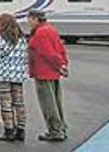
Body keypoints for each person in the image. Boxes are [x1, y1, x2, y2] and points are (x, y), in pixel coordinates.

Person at [0, 13, 29, 142]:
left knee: (6, 105)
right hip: (18, 77)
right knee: (19, 103)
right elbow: (25, 58)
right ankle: (21, 130)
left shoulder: (0, 40)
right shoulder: (21, 40)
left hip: (2, 77)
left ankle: (9, 131)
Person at [27, 10, 69, 142]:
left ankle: (55, 130)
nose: (28, 22)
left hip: (43, 71)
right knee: (57, 101)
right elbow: (60, 49)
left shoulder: (41, 33)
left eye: (29, 19)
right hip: (53, 72)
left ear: (35, 19)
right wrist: (63, 64)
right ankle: (61, 128)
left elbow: (48, 53)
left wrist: (58, 65)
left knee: (48, 103)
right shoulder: (51, 29)